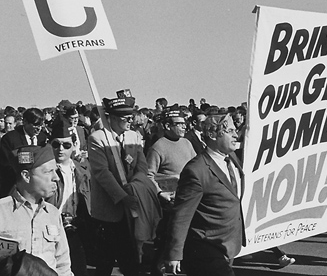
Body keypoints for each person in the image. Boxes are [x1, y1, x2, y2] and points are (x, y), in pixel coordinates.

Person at [164, 113, 245, 276]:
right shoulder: (196, 170)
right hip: (204, 247)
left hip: (227, 245)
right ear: (212, 134)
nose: (236, 134)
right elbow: (181, 215)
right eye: (230, 131)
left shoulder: (233, 159)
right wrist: (174, 254)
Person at [87, 90, 149, 276]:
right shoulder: (97, 139)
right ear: (112, 118)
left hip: (132, 208)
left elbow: (142, 166)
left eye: (131, 118)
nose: (130, 122)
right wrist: (123, 197)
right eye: (125, 118)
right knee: (105, 263)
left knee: (131, 261)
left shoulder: (134, 137)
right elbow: (102, 173)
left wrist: (136, 187)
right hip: (109, 210)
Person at [0, 145, 73, 275]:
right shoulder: (2, 212)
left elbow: (63, 264)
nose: (56, 177)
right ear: (26, 176)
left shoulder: (53, 214)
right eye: (48, 171)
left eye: (55, 171)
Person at [146, 107, 197, 275]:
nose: (184, 127)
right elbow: (148, 175)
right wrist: (160, 193)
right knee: (166, 240)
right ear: (167, 126)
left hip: (188, 199)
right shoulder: (158, 147)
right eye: (179, 124)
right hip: (169, 203)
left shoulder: (187, 143)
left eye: (185, 123)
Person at [46, 116, 89, 276]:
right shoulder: (44, 172)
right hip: (51, 229)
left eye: (66, 145)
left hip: (76, 227)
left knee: (79, 268)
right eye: (56, 144)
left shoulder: (82, 170)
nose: (61, 149)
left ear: (74, 146)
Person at [0, 108, 48, 197]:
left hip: (37, 188)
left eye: (41, 125)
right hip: (14, 188)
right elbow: (5, 165)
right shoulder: (10, 139)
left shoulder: (42, 138)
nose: (39, 129)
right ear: (25, 122)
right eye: (35, 125)